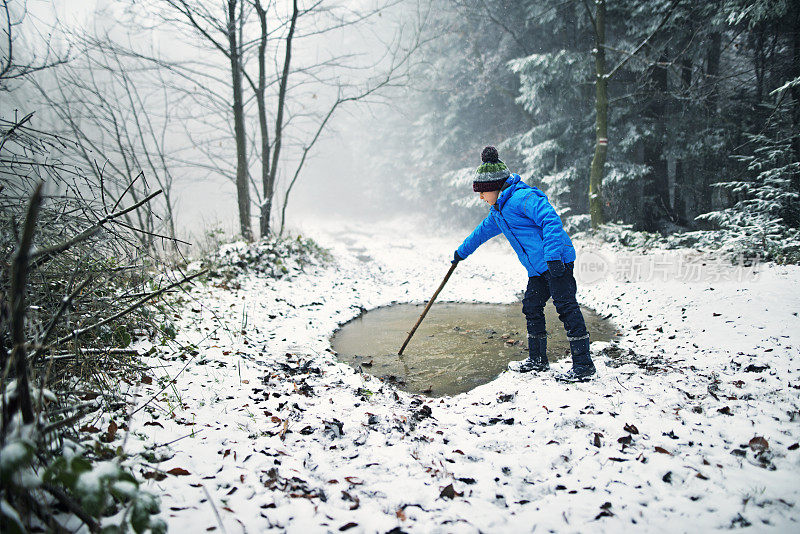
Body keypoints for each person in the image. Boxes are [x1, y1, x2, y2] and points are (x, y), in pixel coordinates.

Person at [452, 146, 596, 382]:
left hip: (557, 261)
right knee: (531, 305)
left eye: (482, 192)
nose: (480, 197)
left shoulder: (522, 198)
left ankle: (584, 365)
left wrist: (552, 257)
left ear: (495, 188)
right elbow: (480, 234)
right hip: (538, 270)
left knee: (566, 307)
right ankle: (538, 360)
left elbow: (550, 219)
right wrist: (461, 253)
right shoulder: (499, 211)